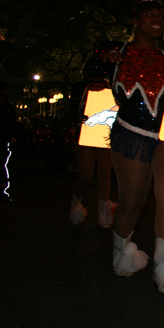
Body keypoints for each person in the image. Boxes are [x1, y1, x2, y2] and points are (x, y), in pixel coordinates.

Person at [87, 0, 164, 293]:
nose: (157, 22)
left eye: (161, 17)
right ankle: (121, 251)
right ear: (135, 21)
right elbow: (90, 74)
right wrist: (101, 56)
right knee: (131, 203)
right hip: (131, 133)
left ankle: (162, 267)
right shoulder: (118, 54)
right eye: (150, 15)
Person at [68, 74, 116, 227]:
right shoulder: (80, 89)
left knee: (104, 174)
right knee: (86, 175)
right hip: (86, 133)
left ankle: (102, 213)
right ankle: (76, 203)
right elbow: (72, 110)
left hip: (105, 133)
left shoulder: (112, 87)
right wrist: (78, 116)